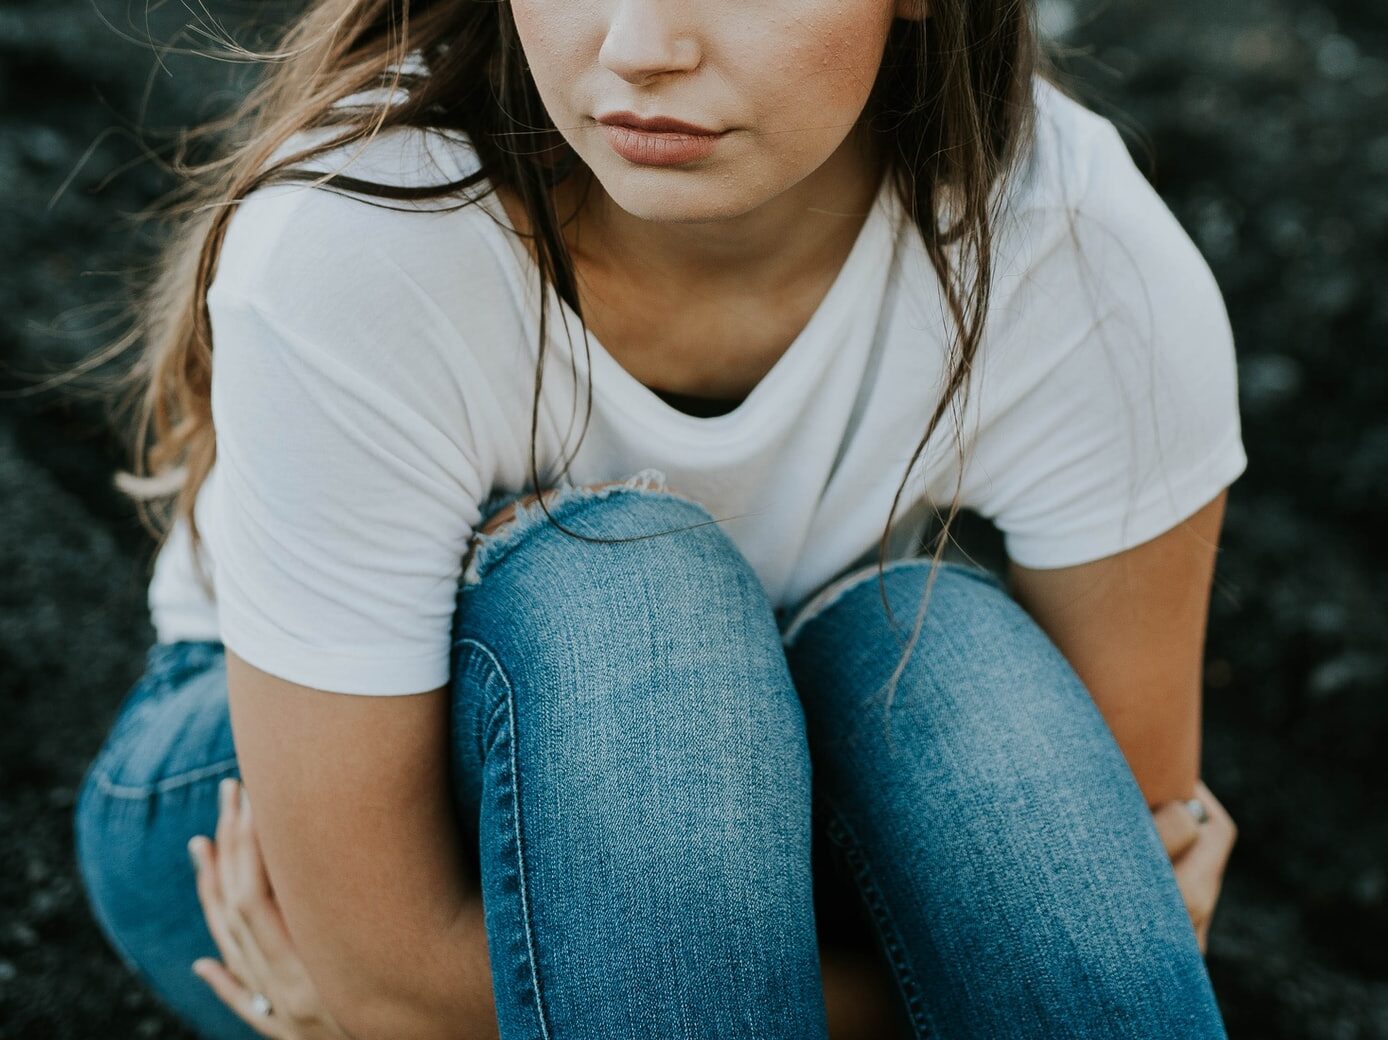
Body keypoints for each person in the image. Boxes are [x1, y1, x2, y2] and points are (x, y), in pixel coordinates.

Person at [72, 0, 1246, 1036]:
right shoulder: (365, 235)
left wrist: (1069, 945)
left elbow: (1137, 862)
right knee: (634, 585)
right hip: (289, 820)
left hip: (770, 769)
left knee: (940, 646)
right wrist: (955, 989)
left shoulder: (1078, 250)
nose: (639, 48)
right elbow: (389, 977)